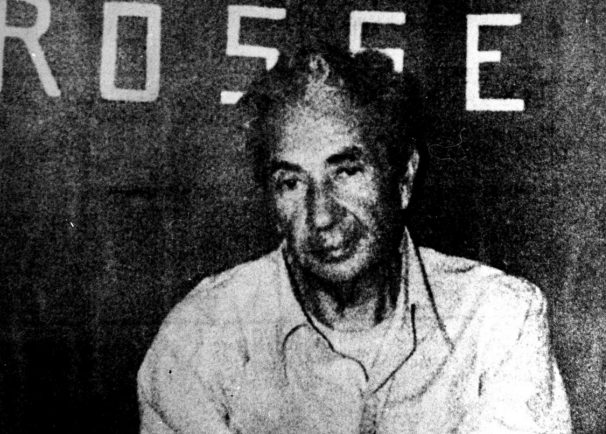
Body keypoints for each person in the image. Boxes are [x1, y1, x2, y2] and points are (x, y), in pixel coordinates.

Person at [137, 46, 571, 433]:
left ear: (403, 177)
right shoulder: (201, 335)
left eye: (345, 171)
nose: (321, 216)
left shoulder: (496, 319)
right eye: (291, 183)